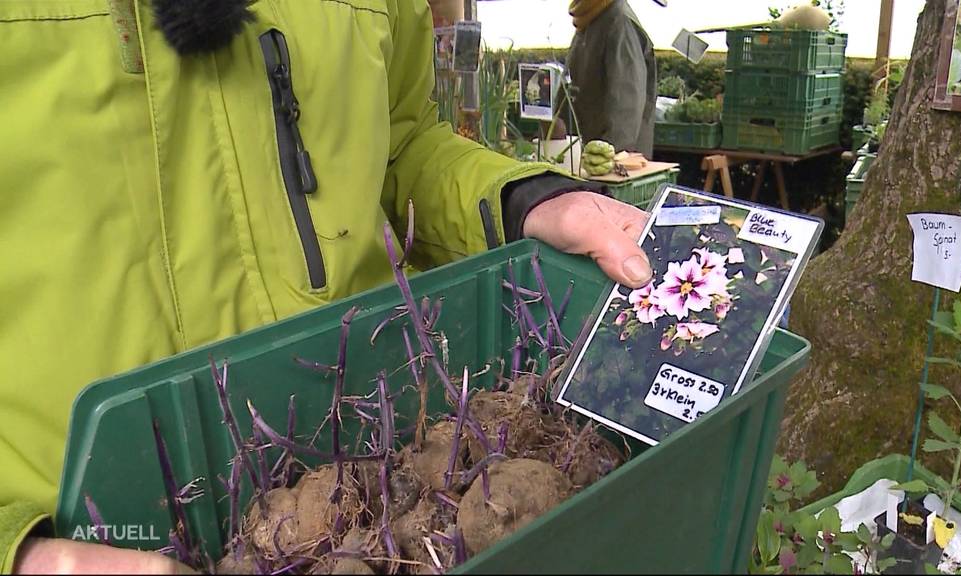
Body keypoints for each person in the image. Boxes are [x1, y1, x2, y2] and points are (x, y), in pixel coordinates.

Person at [0, 0, 654, 573]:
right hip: (82, 526)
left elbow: (401, 147)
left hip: (374, 474)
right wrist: (16, 549)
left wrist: (524, 202)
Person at [567, 0, 659, 157]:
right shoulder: (590, 18)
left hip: (618, 164)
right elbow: (573, 83)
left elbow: (627, 107)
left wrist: (607, 159)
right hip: (590, 155)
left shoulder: (619, 21)